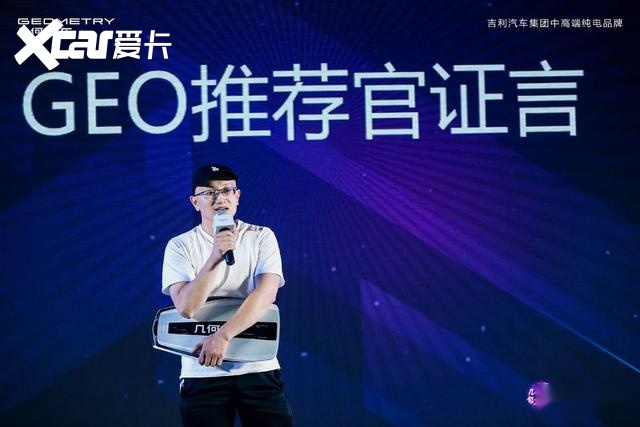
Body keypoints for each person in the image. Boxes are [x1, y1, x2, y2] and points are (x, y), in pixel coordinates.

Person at [162, 163, 293, 427]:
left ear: (237, 196)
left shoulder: (260, 236)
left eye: (226, 191)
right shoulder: (180, 245)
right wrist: (215, 256)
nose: (219, 198)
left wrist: (223, 336)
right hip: (202, 371)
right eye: (209, 193)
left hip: (257, 366)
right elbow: (187, 307)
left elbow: (267, 293)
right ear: (195, 201)